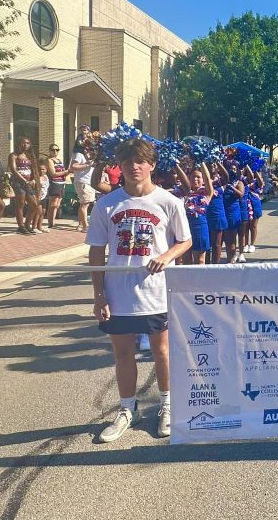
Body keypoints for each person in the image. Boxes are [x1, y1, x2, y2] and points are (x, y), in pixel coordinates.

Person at [87, 138, 191, 442]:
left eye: (141, 161)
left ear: (152, 165)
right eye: (128, 161)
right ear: (120, 165)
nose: (134, 166)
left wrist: (165, 256)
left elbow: (185, 240)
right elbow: (96, 251)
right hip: (118, 294)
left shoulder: (169, 201)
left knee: (162, 352)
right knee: (123, 354)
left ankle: (167, 406)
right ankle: (127, 409)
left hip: (156, 292)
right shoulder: (106, 204)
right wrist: (98, 294)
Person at [174, 163, 214, 264]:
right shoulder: (182, 192)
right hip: (185, 228)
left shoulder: (207, 193)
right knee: (186, 261)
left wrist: (202, 161)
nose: (195, 179)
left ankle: (201, 280)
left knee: (200, 261)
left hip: (200, 228)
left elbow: (207, 178)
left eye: (198, 177)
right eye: (193, 177)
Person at [9, 136, 38, 234]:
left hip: (29, 183)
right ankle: (20, 226)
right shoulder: (13, 155)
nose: (25, 145)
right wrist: (24, 180)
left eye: (28, 143)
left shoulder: (30, 156)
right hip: (18, 182)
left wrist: (33, 179)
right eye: (23, 143)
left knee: (34, 204)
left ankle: (27, 224)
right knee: (20, 204)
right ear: (19, 143)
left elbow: (34, 170)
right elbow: (13, 170)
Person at [69, 143, 96, 232]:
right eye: (88, 148)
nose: (89, 150)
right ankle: (85, 226)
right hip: (83, 182)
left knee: (83, 204)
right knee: (85, 204)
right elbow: (73, 167)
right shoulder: (79, 155)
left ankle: (81, 224)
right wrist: (87, 165)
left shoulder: (91, 157)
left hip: (88, 182)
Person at [44, 143, 69, 230]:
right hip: (54, 183)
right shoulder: (49, 160)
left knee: (57, 205)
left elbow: (62, 172)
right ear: (49, 151)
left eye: (57, 150)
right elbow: (53, 174)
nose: (55, 151)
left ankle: (53, 222)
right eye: (53, 150)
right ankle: (50, 223)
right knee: (53, 204)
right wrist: (66, 171)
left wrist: (66, 173)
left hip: (62, 183)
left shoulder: (59, 160)